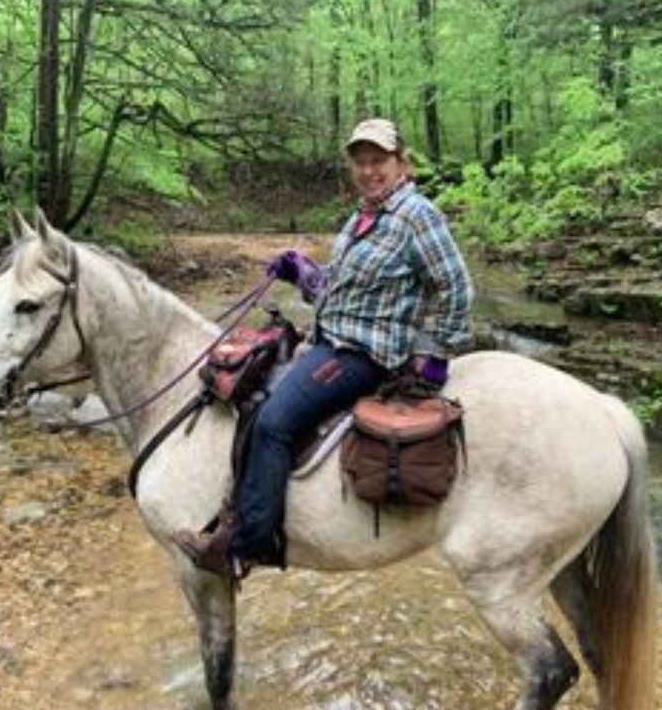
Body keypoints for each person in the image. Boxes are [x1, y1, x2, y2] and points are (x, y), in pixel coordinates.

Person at [174, 117, 474, 579]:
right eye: (361, 162)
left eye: (379, 161)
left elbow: (455, 287)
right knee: (252, 389)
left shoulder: (417, 215)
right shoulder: (361, 217)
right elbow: (341, 291)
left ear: (402, 164)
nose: (369, 171)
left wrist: (434, 351)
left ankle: (245, 545)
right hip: (330, 341)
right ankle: (240, 508)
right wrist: (307, 275)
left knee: (274, 422)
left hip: (364, 355)